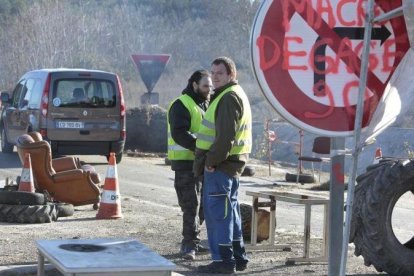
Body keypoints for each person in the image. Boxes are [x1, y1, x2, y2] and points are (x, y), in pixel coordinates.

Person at [194, 57, 252, 274]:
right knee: (231, 213)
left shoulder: (227, 98)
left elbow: (225, 136)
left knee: (218, 215)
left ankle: (223, 262)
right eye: (213, 72)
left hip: (220, 166)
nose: (215, 77)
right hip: (231, 166)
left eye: (220, 73)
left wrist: (211, 161)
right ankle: (238, 258)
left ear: (231, 75)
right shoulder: (235, 94)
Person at [167, 69, 212, 260]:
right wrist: (200, 148)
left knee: (204, 206)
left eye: (210, 86)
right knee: (190, 205)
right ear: (194, 84)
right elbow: (179, 133)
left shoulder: (206, 103)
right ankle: (188, 245)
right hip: (185, 164)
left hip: (202, 163)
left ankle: (194, 239)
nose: (209, 89)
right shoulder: (181, 105)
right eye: (205, 86)